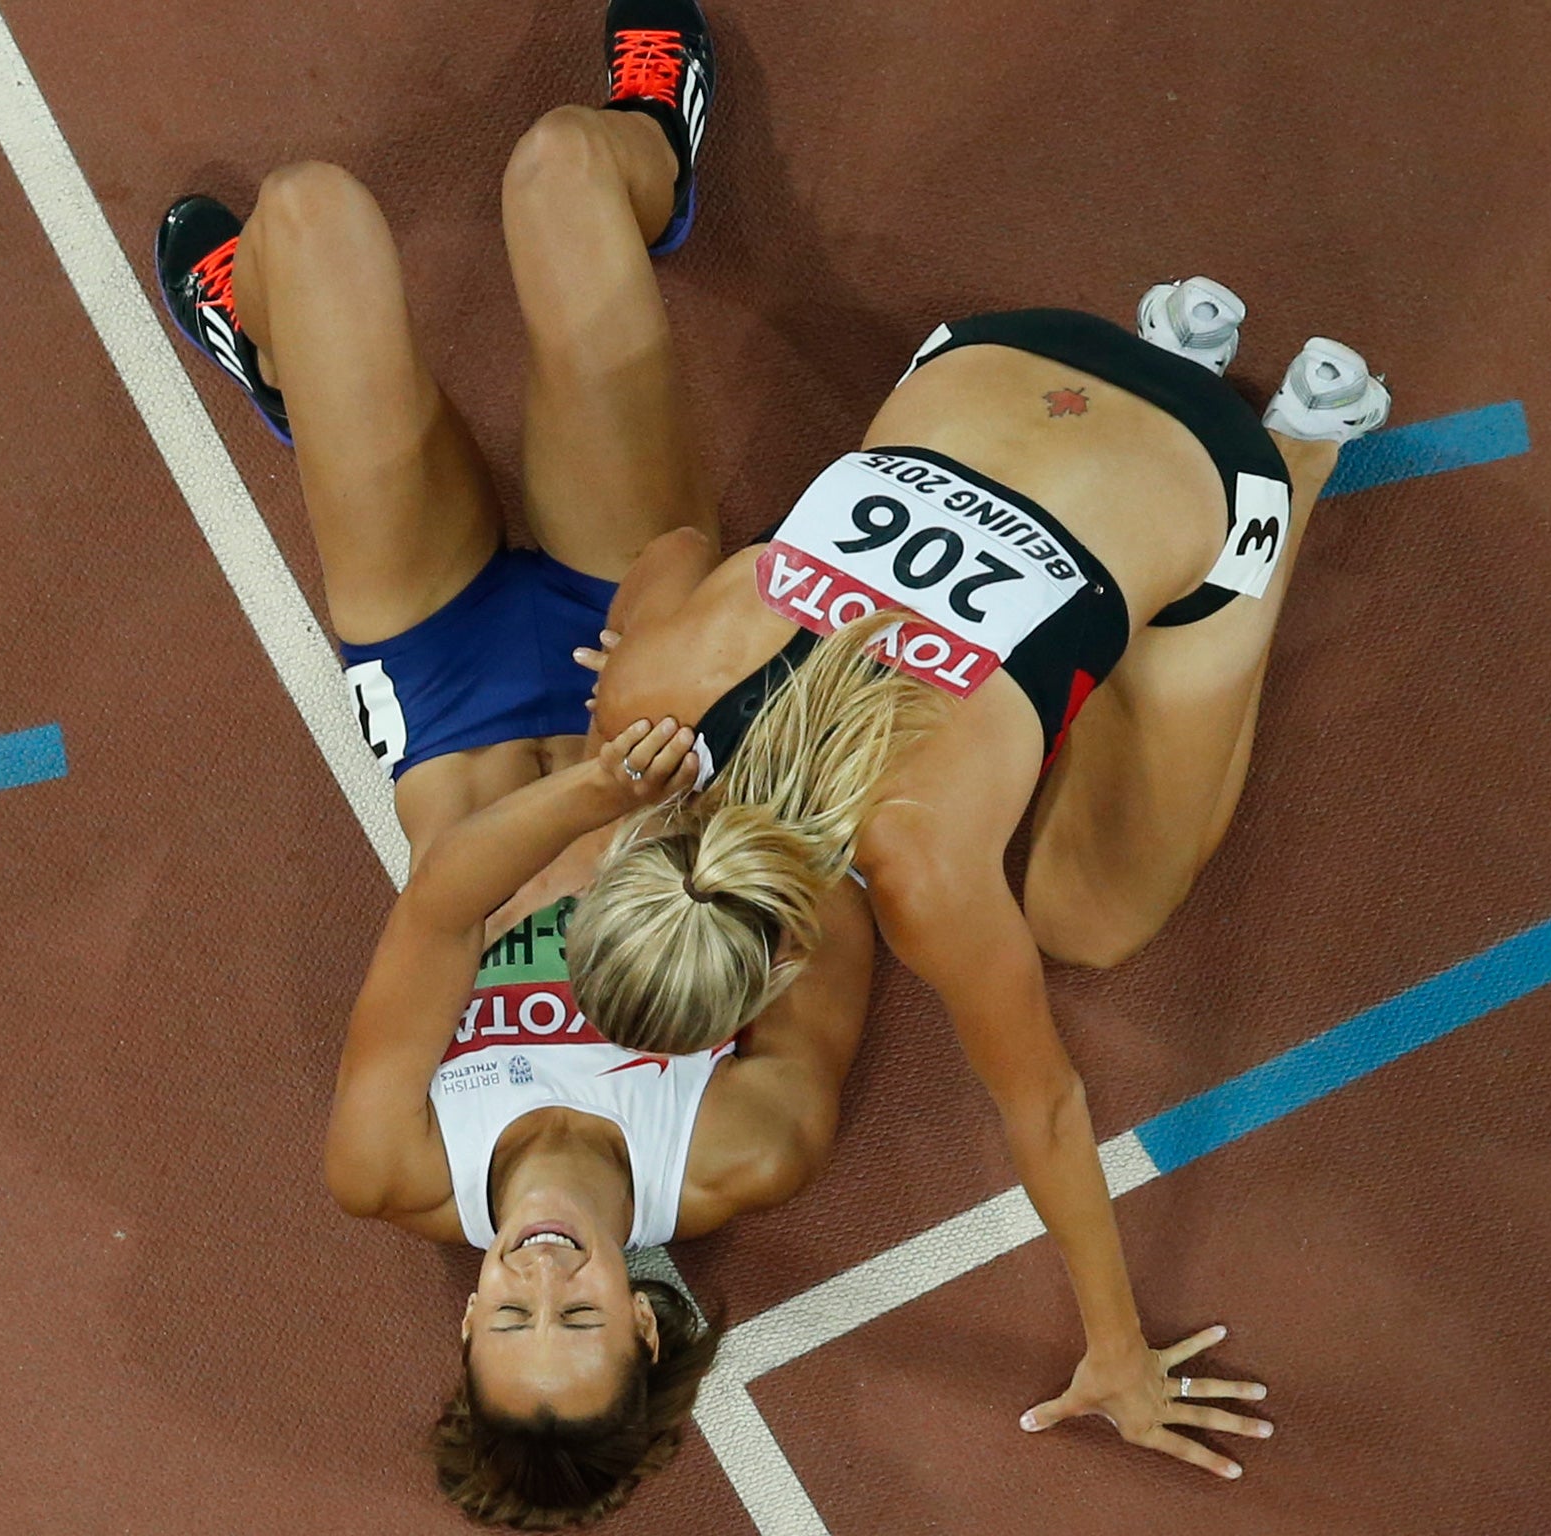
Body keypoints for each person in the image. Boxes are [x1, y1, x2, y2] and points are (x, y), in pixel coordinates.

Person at [541, 4, 1392, 1485]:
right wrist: (642, 644)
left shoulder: (925, 865)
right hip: (996, 347)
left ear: (789, 949)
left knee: (1098, 911)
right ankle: (1171, 334)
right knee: (1040, 650)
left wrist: (1119, 1351)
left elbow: (1049, 1104)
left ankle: (1313, 438)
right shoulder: (644, 708)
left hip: (1209, 465)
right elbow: (677, 543)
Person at [149, 2, 877, 1525]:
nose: (537, 1283)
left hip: (447, 678)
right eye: (581, 1319)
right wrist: (682, 786)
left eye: (503, 1323)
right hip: (645, 658)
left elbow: (430, 917)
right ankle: (653, 167)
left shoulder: (399, 1165)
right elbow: (830, 892)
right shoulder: (742, 1144)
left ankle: (277, 347)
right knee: (555, 172)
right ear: (653, 1318)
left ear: (466, 1326)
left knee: (316, 217)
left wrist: (593, 808)